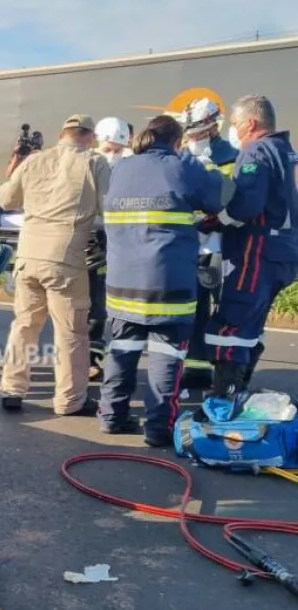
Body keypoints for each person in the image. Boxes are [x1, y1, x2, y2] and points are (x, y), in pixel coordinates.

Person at [98, 114, 227, 447]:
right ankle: (157, 430)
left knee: (121, 351)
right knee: (165, 357)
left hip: (122, 283)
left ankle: (111, 418)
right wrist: (202, 163)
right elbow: (218, 196)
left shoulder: (124, 168)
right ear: (176, 140)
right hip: (168, 285)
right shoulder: (181, 165)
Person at [0, 114, 110, 416]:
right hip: (65, 260)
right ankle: (70, 401)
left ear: (62, 134)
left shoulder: (34, 160)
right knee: (71, 332)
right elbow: (109, 208)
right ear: (89, 135)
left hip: (27, 257)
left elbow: (6, 199)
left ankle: (12, 388)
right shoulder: (95, 162)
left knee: (24, 325)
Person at [203, 94, 298, 397]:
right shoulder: (288, 153)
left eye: (235, 124)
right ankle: (238, 390)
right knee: (252, 320)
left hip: (256, 250)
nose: (235, 130)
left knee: (233, 321)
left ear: (251, 122)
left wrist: (216, 218)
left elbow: (246, 205)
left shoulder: (256, 152)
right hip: (285, 251)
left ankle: (224, 398)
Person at [177, 97, 240, 390]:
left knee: (226, 306)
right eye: (190, 133)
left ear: (214, 128)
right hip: (192, 244)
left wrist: (213, 218)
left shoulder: (232, 157)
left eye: (199, 133)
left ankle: (229, 366)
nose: (194, 138)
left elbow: (235, 197)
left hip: (221, 244)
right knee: (197, 307)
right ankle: (197, 365)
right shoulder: (182, 156)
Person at [87, 117, 134, 379]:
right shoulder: (86, 164)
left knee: (104, 306)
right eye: (108, 149)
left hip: (116, 242)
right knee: (91, 304)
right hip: (89, 240)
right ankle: (86, 360)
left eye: (117, 150)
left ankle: (96, 357)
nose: (113, 155)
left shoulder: (129, 166)